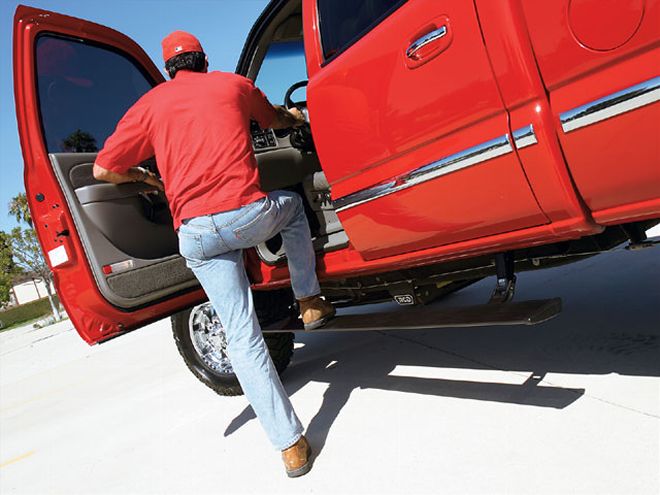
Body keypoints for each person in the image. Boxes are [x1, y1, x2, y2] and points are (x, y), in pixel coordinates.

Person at [92, 31, 335, 478]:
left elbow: (103, 169)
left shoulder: (150, 106)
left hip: (197, 235)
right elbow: (277, 120)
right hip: (248, 216)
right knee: (295, 208)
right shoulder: (232, 86)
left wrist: (149, 182)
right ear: (203, 60)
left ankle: (290, 447)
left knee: (242, 337)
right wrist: (294, 113)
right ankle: (308, 300)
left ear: (169, 70)